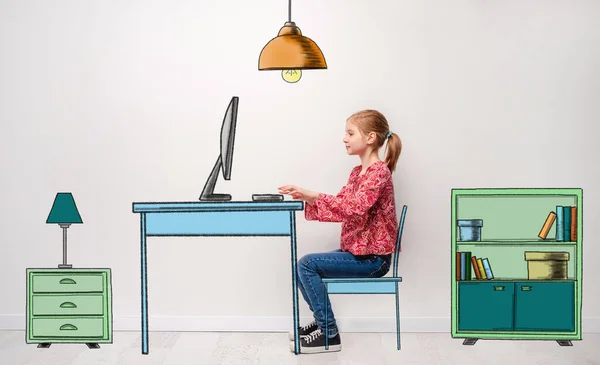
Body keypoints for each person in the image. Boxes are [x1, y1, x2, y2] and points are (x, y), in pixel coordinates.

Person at [278, 109, 403, 354]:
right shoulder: (358, 173)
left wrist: (313, 195)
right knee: (301, 267)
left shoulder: (378, 172)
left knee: (306, 264)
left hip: (373, 260)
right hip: (360, 254)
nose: (344, 138)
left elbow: (355, 208)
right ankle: (323, 322)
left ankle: (329, 334)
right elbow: (341, 208)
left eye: (350, 133)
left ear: (370, 138)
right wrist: (307, 197)